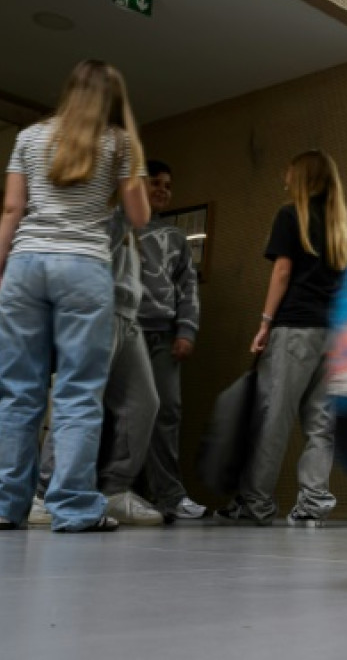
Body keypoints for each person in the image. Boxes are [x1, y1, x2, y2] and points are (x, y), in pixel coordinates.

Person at [0, 60, 150, 532]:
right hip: (84, 268)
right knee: (78, 392)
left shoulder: (29, 138)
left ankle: (3, 505)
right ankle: (73, 507)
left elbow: (12, 209)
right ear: (114, 99)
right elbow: (139, 217)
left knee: (18, 394)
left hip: (26, 265)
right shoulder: (119, 143)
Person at [217, 150, 347, 527]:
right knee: (321, 424)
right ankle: (313, 503)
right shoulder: (338, 225)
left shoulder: (290, 214)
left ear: (302, 175)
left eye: (288, 170)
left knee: (273, 418)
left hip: (295, 329)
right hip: (333, 333)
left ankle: (256, 503)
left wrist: (265, 323)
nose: (283, 176)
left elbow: (282, 272)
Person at [30, 211, 165, 527]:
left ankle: (114, 492)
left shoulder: (129, 220)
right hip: (96, 309)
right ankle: (45, 496)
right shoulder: (108, 206)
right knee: (79, 401)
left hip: (128, 315)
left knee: (143, 404)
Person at [136, 160, 206, 520]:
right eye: (155, 183)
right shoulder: (118, 228)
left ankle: (168, 495)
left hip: (163, 336)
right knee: (114, 413)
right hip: (124, 332)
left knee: (167, 411)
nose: (163, 189)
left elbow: (188, 288)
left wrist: (186, 330)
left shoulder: (176, 238)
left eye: (168, 185)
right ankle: (104, 490)